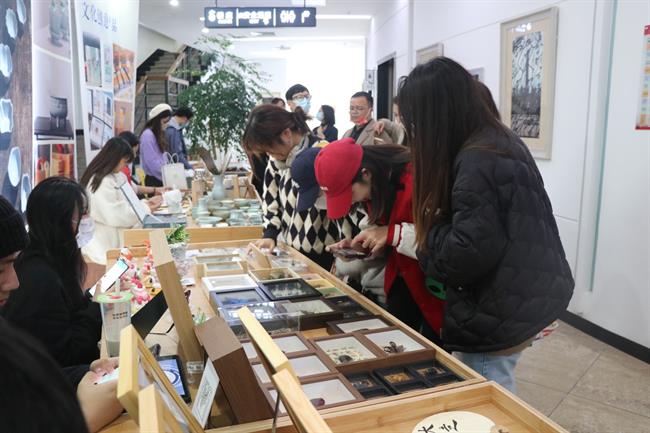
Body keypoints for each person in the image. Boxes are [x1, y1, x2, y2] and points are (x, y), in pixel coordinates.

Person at [396, 57, 574, 392]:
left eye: (415, 122)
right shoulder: (495, 140)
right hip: (519, 291)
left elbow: (463, 256)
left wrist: (427, 236)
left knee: (486, 392)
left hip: (499, 303)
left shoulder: (478, 160)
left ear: (436, 115)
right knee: (494, 383)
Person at [0, 196, 122, 433]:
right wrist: (85, 419)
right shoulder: (39, 279)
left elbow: (30, 377)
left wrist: (85, 372)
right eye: (0, 269)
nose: (14, 282)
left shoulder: (54, 266)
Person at [315, 139, 445, 343]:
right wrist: (362, 248)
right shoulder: (374, 190)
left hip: (435, 286)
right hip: (402, 282)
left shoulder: (418, 178)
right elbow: (388, 241)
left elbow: (444, 241)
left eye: (350, 193)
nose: (351, 201)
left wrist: (391, 233)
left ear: (366, 173)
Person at [2, 178, 102, 367]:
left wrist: (92, 299)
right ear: (59, 222)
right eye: (81, 214)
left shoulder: (52, 259)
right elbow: (68, 354)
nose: (86, 220)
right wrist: (97, 306)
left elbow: (68, 314)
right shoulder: (39, 279)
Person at [242, 104, 335, 270]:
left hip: (324, 253)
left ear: (286, 134)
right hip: (291, 250)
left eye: (270, 149)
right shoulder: (276, 160)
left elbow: (340, 207)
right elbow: (270, 198)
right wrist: (270, 233)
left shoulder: (322, 154)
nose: (270, 155)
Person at [80, 137, 159, 265]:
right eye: (124, 162)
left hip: (118, 241)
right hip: (105, 244)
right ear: (114, 158)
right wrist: (145, 207)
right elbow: (115, 215)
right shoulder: (101, 182)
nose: (124, 167)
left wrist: (145, 205)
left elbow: (131, 202)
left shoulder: (117, 176)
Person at [140, 103, 172, 187]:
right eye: (165, 122)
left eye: (168, 121)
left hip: (162, 176)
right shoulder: (147, 135)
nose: (167, 124)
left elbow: (163, 157)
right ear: (157, 120)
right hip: (154, 180)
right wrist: (166, 173)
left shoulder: (157, 133)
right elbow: (152, 162)